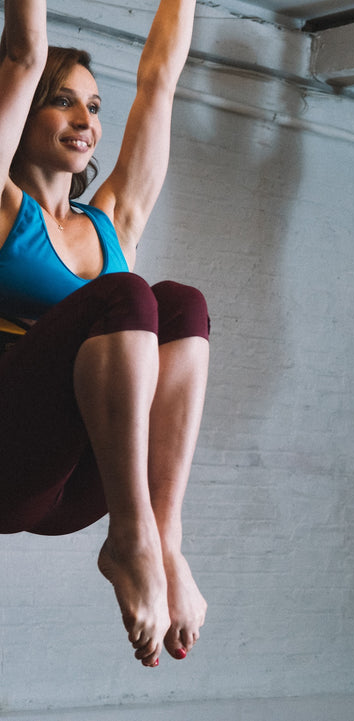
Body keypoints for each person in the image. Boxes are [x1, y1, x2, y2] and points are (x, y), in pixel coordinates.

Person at [0, 0, 207, 667]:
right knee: (123, 295)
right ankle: (133, 535)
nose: (85, 120)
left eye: (93, 106)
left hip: (78, 482)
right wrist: (27, 60)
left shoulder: (114, 218)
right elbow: (25, 50)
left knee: (180, 304)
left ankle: (160, 536)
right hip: (7, 465)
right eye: (62, 101)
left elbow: (160, 80)